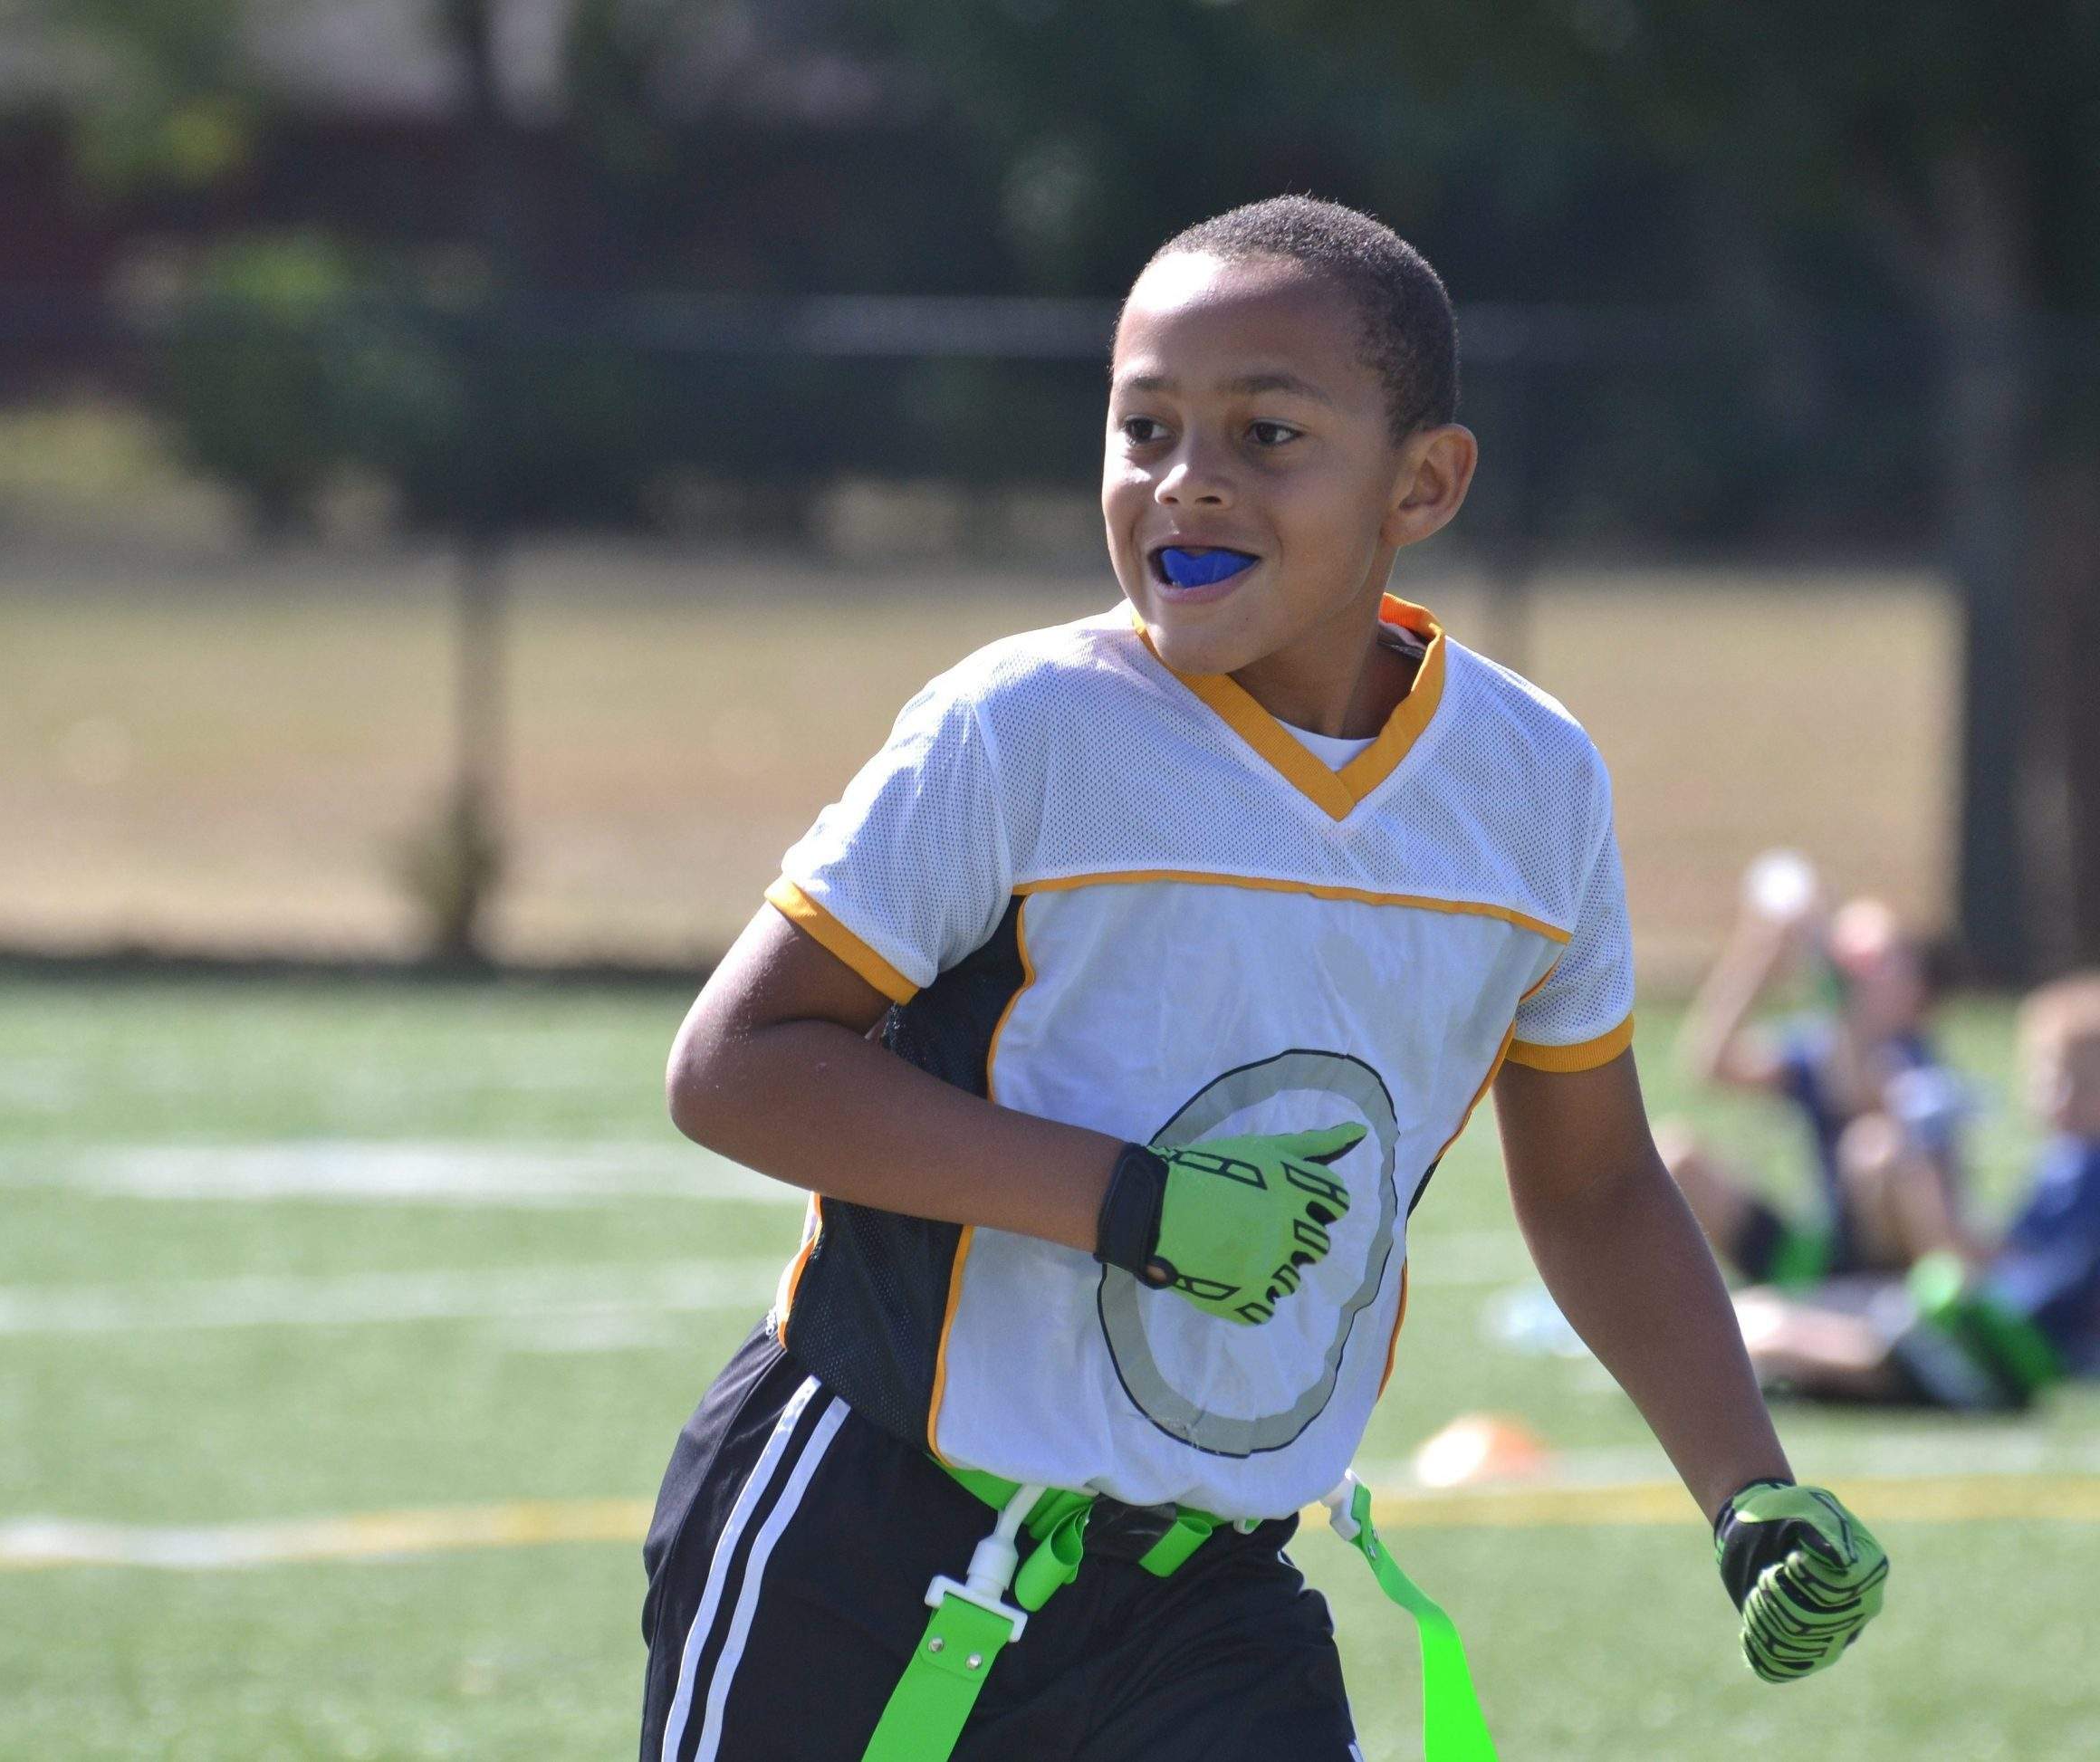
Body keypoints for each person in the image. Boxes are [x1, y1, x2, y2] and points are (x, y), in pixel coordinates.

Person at [645, 196, 1888, 1762]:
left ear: (1423, 482)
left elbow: (1596, 1188)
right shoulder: (1022, 728)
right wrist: (1130, 1202)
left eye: (1268, 432)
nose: (1188, 478)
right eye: (1144, 426)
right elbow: (739, 1062)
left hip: (1205, 1594)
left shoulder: (1533, 786)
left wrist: (1743, 1483)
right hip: (866, 1532)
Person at [1738, 973, 2100, 1410]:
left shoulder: (2082, 1168)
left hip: (1995, 1355)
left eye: (2066, 1079)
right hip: (1989, 1343)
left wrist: (1926, 1176)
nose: (2047, 1094)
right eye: (2044, 1076)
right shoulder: (2067, 1162)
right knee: (1770, 1320)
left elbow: (2025, 1293)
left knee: (1770, 1330)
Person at [1659, 879, 1973, 1288]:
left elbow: (1864, 1096)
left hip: (1893, 1266)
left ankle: (1925, 1310)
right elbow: (1710, 1065)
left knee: (1876, 1147)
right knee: (1675, 1157)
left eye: (1877, 961)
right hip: (1825, 1253)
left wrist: (1838, 997)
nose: (1854, 974)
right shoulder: (1820, 1045)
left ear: (1915, 988)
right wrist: (1758, 958)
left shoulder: (1915, 1054)